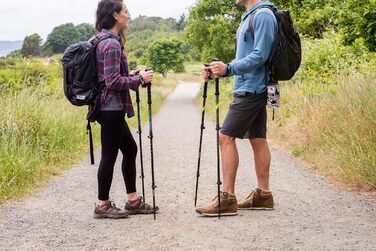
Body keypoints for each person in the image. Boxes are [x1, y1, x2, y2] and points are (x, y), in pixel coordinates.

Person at [196, 0, 278, 216]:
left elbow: (260, 55)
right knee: (257, 138)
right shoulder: (249, 16)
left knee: (225, 137)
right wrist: (219, 70)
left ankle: (228, 198)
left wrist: (229, 68)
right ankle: (263, 195)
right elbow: (246, 56)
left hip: (252, 88)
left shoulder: (263, 15)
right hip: (249, 86)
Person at [93, 0, 157, 219]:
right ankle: (102, 205)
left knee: (129, 150)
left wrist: (132, 76)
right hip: (110, 107)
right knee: (109, 155)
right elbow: (111, 82)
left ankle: (132, 201)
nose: (128, 16)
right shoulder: (111, 44)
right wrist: (138, 80)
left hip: (109, 106)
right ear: (115, 15)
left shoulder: (104, 40)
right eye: (126, 12)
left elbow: (108, 78)